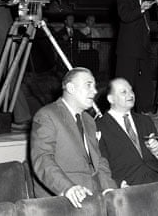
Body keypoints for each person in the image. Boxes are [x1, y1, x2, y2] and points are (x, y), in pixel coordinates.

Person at [30, 67, 117, 208]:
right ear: (70, 88)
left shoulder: (89, 120)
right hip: (63, 199)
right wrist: (67, 188)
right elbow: (42, 158)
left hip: (93, 196)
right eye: (88, 85)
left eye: (94, 86)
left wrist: (110, 188)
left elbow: (98, 161)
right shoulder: (47, 115)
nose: (94, 91)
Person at [97, 78, 158, 186]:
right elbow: (100, 164)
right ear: (111, 99)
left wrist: (157, 150)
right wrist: (117, 183)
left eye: (131, 90)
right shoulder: (100, 127)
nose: (130, 95)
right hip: (130, 185)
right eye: (124, 92)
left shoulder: (145, 120)